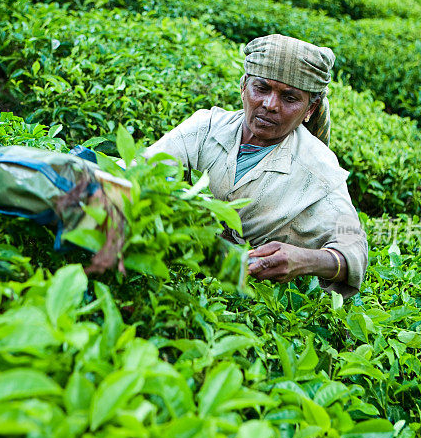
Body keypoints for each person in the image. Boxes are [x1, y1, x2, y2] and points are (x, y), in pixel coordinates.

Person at [144, 34, 368, 298]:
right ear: (243, 87)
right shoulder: (205, 128)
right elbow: (141, 170)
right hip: (169, 275)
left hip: (242, 299)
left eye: (290, 98)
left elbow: (353, 248)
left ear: (310, 108)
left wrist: (303, 260)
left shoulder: (318, 170)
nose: (270, 105)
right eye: (261, 89)